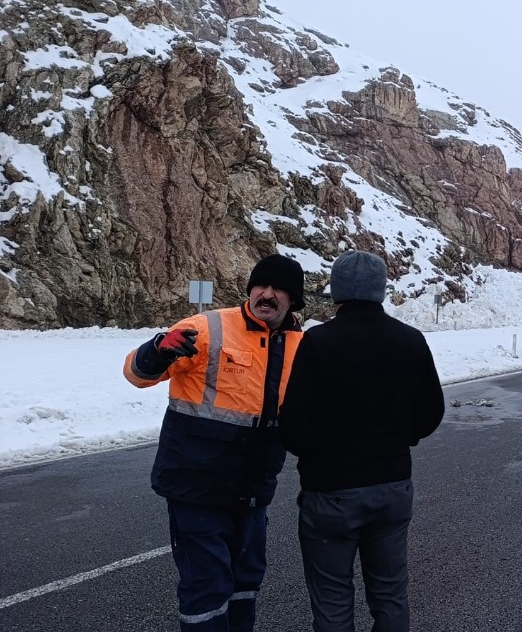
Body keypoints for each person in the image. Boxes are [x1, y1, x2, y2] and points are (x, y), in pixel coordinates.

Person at [122, 253, 306, 632]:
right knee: (207, 586)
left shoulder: (300, 346)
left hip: (254, 489)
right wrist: (157, 350)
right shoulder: (207, 328)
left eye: (279, 290)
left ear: (294, 300)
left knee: (246, 582)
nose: (267, 294)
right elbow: (136, 375)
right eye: (261, 285)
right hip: (197, 486)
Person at [279, 250, 446, 632]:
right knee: (390, 596)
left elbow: (294, 424)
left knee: (333, 600)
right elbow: (431, 412)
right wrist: (402, 438)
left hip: (330, 491)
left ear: (337, 292)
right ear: (381, 291)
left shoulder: (318, 342)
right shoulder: (411, 340)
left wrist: (317, 451)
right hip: (391, 485)